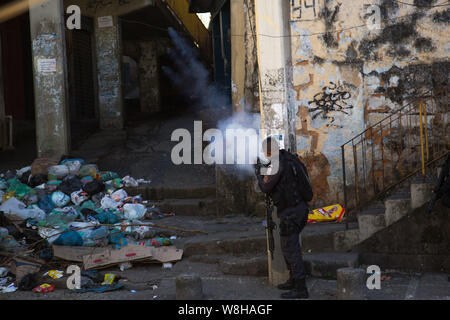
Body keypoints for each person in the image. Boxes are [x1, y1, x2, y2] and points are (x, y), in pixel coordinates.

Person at [255, 136, 311, 299]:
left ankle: (301, 288)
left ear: (268, 150)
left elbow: (266, 186)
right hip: (299, 208)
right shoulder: (289, 158)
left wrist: (258, 173)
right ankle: (293, 280)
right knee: (289, 246)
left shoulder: (278, 163)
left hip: (291, 212)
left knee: (291, 249)